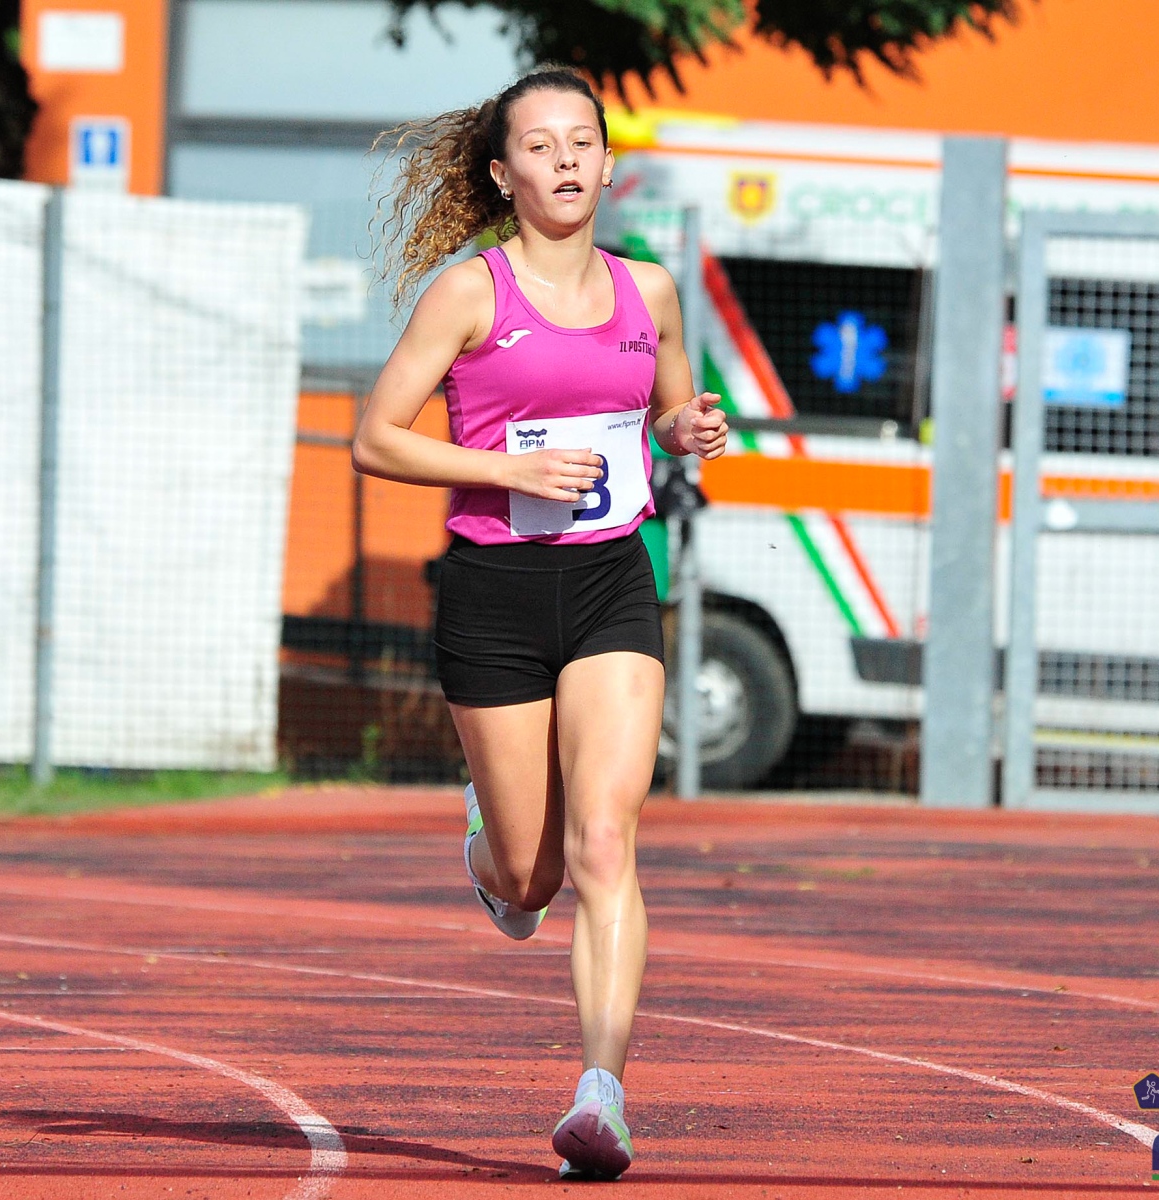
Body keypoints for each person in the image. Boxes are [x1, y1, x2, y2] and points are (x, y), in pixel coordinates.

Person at [353, 66, 727, 1180]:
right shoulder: (469, 294)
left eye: (582, 142)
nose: (565, 160)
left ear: (607, 167)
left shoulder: (650, 291)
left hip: (613, 579)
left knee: (604, 839)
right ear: (502, 173)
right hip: (496, 593)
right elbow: (375, 438)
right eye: (540, 144)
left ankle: (601, 1094)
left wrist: (684, 429)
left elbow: (667, 407)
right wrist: (502, 466)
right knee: (532, 879)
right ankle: (487, 842)